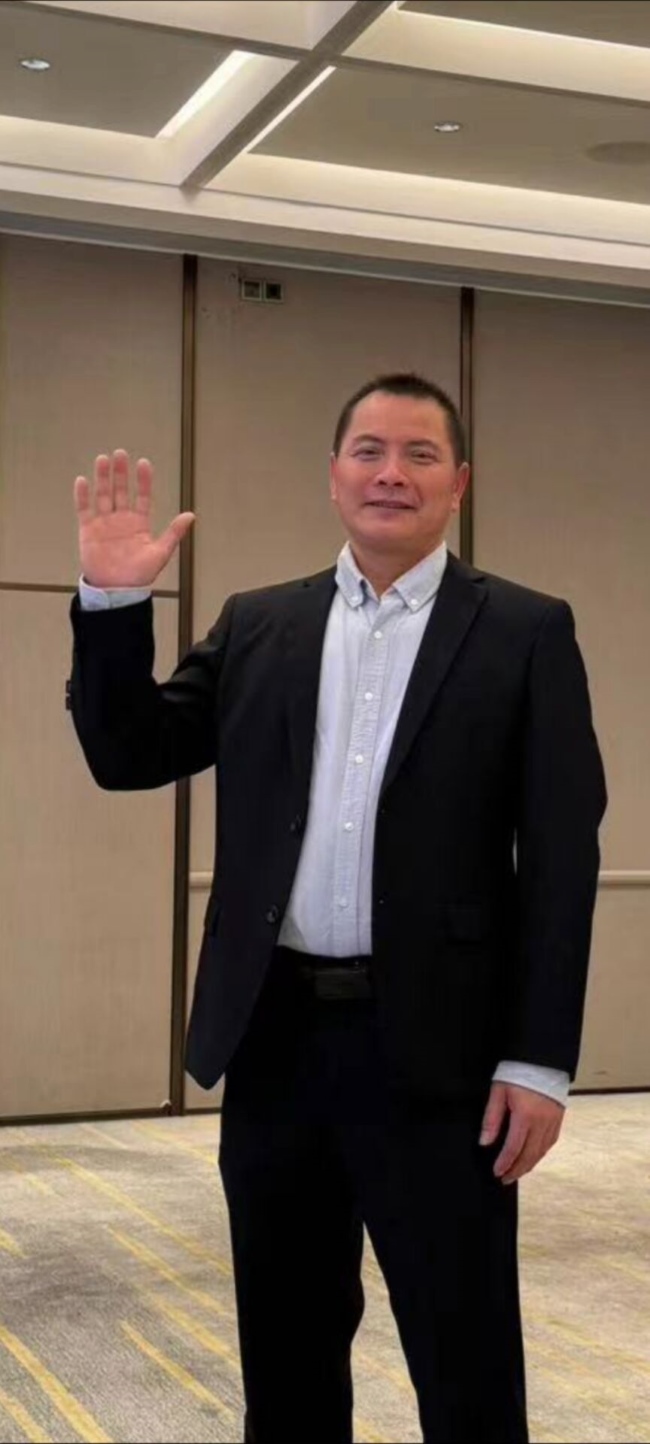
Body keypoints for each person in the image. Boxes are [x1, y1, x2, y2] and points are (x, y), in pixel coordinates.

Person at [68, 373, 607, 1444]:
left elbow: (560, 855)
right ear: (333, 475)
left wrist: (538, 1058)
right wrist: (114, 609)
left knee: (463, 1358)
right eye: (368, 451)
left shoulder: (523, 631)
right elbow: (129, 754)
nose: (390, 473)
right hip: (276, 1042)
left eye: (418, 454)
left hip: (443, 1058)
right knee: (287, 1353)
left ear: (458, 482)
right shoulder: (261, 623)